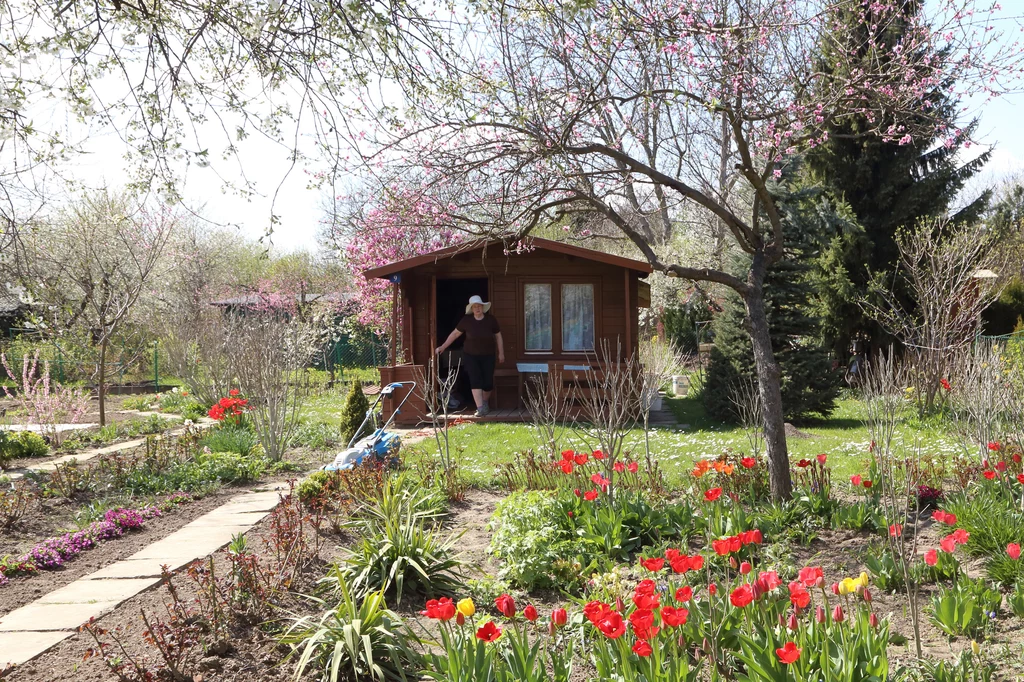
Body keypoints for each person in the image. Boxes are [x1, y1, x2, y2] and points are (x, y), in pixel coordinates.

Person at [436, 294, 504, 416]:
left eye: (479, 306)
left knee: (488, 382)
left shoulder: (491, 320)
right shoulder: (466, 321)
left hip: (489, 355)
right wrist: (443, 346)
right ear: (471, 309)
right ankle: (480, 408)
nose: (477, 308)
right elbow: (455, 334)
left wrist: (501, 353)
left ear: (483, 307)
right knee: (475, 380)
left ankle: (484, 402)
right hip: (471, 355)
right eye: (475, 307)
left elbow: (498, 336)